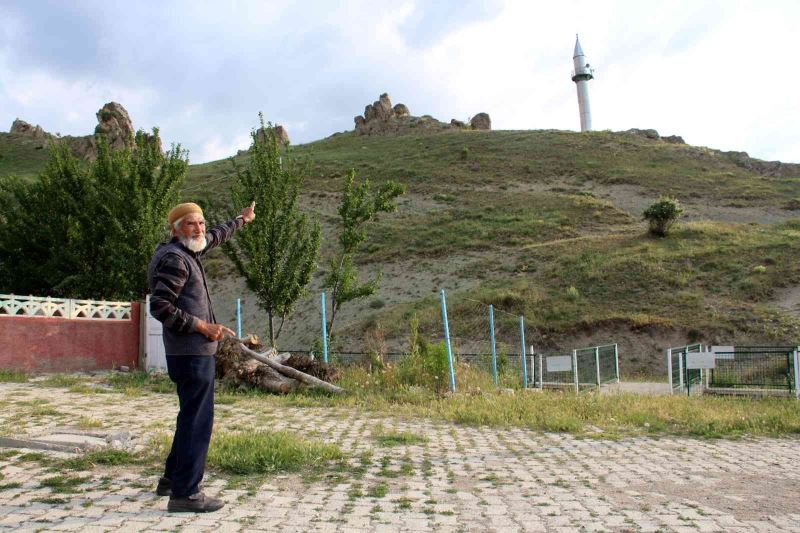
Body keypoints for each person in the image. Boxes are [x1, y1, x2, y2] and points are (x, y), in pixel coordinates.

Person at [148, 201, 255, 513]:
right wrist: (202, 326)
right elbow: (160, 306)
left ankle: (171, 479)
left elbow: (215, 237)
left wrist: (242, 220)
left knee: (189, 416)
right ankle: (186, 493)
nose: (200, 230)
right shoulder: (175, 260)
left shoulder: (187, 251)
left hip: (192, 352)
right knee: (198, 422)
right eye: (192, 224)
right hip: (191, 353)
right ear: (176, 228)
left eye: (202, 223)